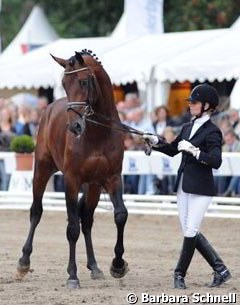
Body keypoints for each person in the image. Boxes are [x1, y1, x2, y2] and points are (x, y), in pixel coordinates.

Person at [143, 84, 231, 289]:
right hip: (183, 185)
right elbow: (173, 150)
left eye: (195, 102)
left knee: (191, 230)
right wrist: (156, 141)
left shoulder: (213, 132)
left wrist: (195, 151)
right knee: (189, 231)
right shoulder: (187, 127)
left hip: (201, 188)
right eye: (190, 102)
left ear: (207, 106)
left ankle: (179, 274)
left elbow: (216, 161)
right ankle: (221, 270)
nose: (190, 105)